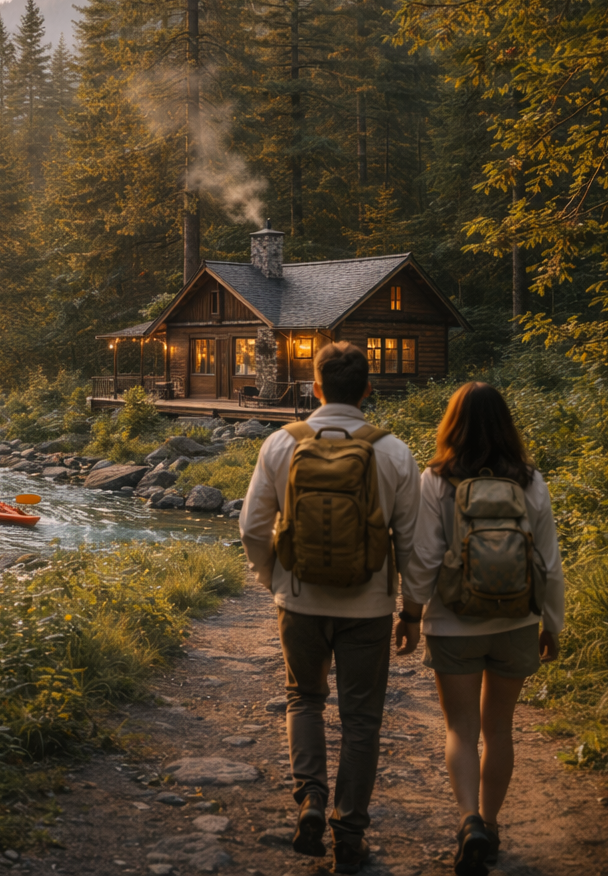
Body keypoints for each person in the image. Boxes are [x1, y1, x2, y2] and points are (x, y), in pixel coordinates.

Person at [241, 341, 420, 874]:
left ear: (315, 387)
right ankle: (350, 830)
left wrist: (273, 577)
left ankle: (312, 801)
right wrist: (412, 610)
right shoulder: (393, 451)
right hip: (368, 605)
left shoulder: (281, 444)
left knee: (304, 699)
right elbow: (413, 542)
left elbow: (253, 527)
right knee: (362, 719)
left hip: (299, 598)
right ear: (368, 388)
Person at [398, 382, 564, 876]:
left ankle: (468, 820)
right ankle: (490, 825)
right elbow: (550, 565)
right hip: (517, 620)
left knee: (461, 729)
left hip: (454, 622)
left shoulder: (438, 479)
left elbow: (424, 556)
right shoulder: (530, 480)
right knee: (500, 730)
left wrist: (411, 613)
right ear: (507, 424)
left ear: (452, 423)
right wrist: (552, 623)